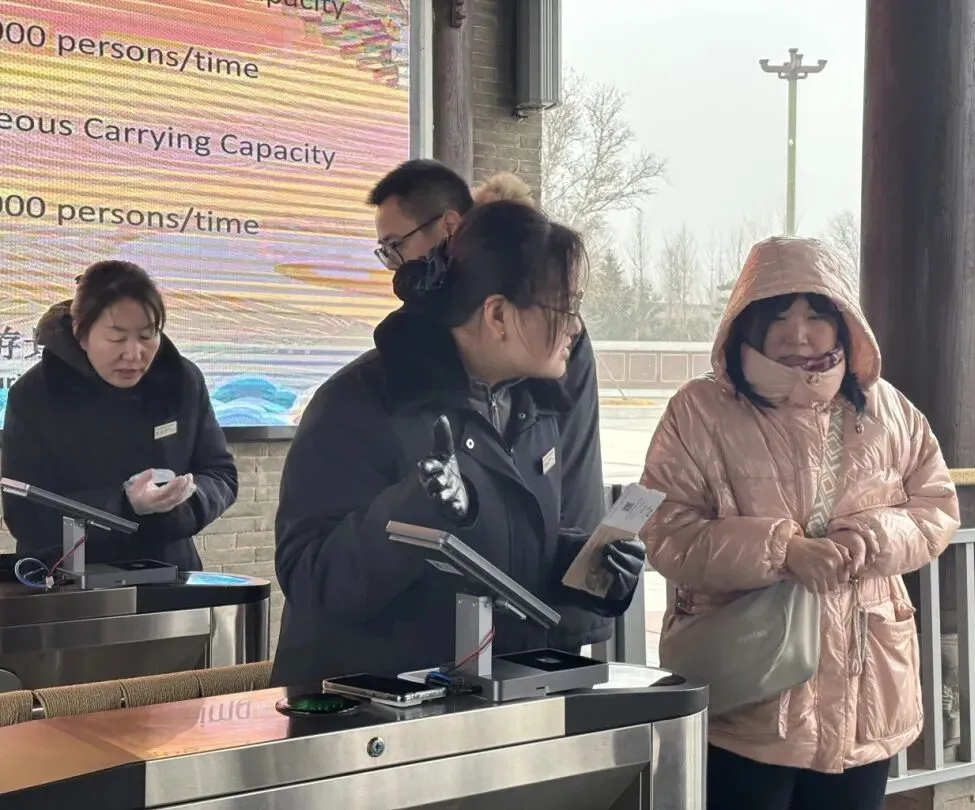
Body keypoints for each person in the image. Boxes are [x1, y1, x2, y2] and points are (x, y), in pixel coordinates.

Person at [639, 236, 960, 810]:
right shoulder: (698, 410)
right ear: (747, 321)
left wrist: (869, 538)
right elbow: (667, 531)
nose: (798, 332)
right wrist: (781, 550)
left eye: (815, 315)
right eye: (778, 315)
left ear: (843, 323)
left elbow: (936, 508)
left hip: (867, 691)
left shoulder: (890, 409)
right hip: (748, 696)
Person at [270, 198, 645, 686]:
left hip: (479, 703)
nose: (575, 326)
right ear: (498, 314)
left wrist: (590, 566)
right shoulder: (360, 401)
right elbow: (310, 578)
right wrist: (415, 509)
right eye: (564, 307)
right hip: (365, 709)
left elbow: (503, 556)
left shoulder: (532, 406)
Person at [365, 159, 610, 650]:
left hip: (531, 627)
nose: (398, 266)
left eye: (396, 246)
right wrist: (423, 507)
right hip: (432, 663)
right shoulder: (380, 384)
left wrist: (590, 569)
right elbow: (324, 572)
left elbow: (547, 499)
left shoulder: (537, 373)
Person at [0, 260, 238, 573]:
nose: (134, 354)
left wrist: (186, 501)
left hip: (169, 576)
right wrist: (124, 505)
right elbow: (25, 515)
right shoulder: (36, 394)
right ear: (81, 334)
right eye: (117, 338)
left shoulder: (181, 380)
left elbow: (221, 474)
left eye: (147, 336)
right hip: (68, 580)